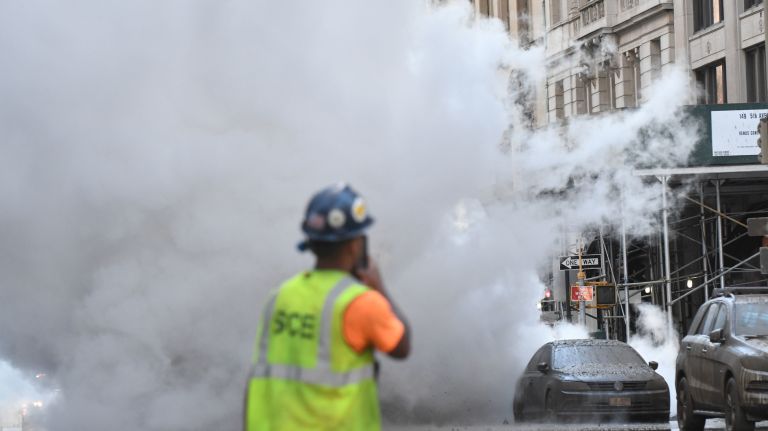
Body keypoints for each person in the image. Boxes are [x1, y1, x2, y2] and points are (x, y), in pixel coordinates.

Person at [244, 183, 410, 431]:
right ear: (355, 245)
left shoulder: (279, 296)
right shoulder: (361, 302)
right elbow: (401, 347)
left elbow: (260, 377)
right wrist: (379, 287)